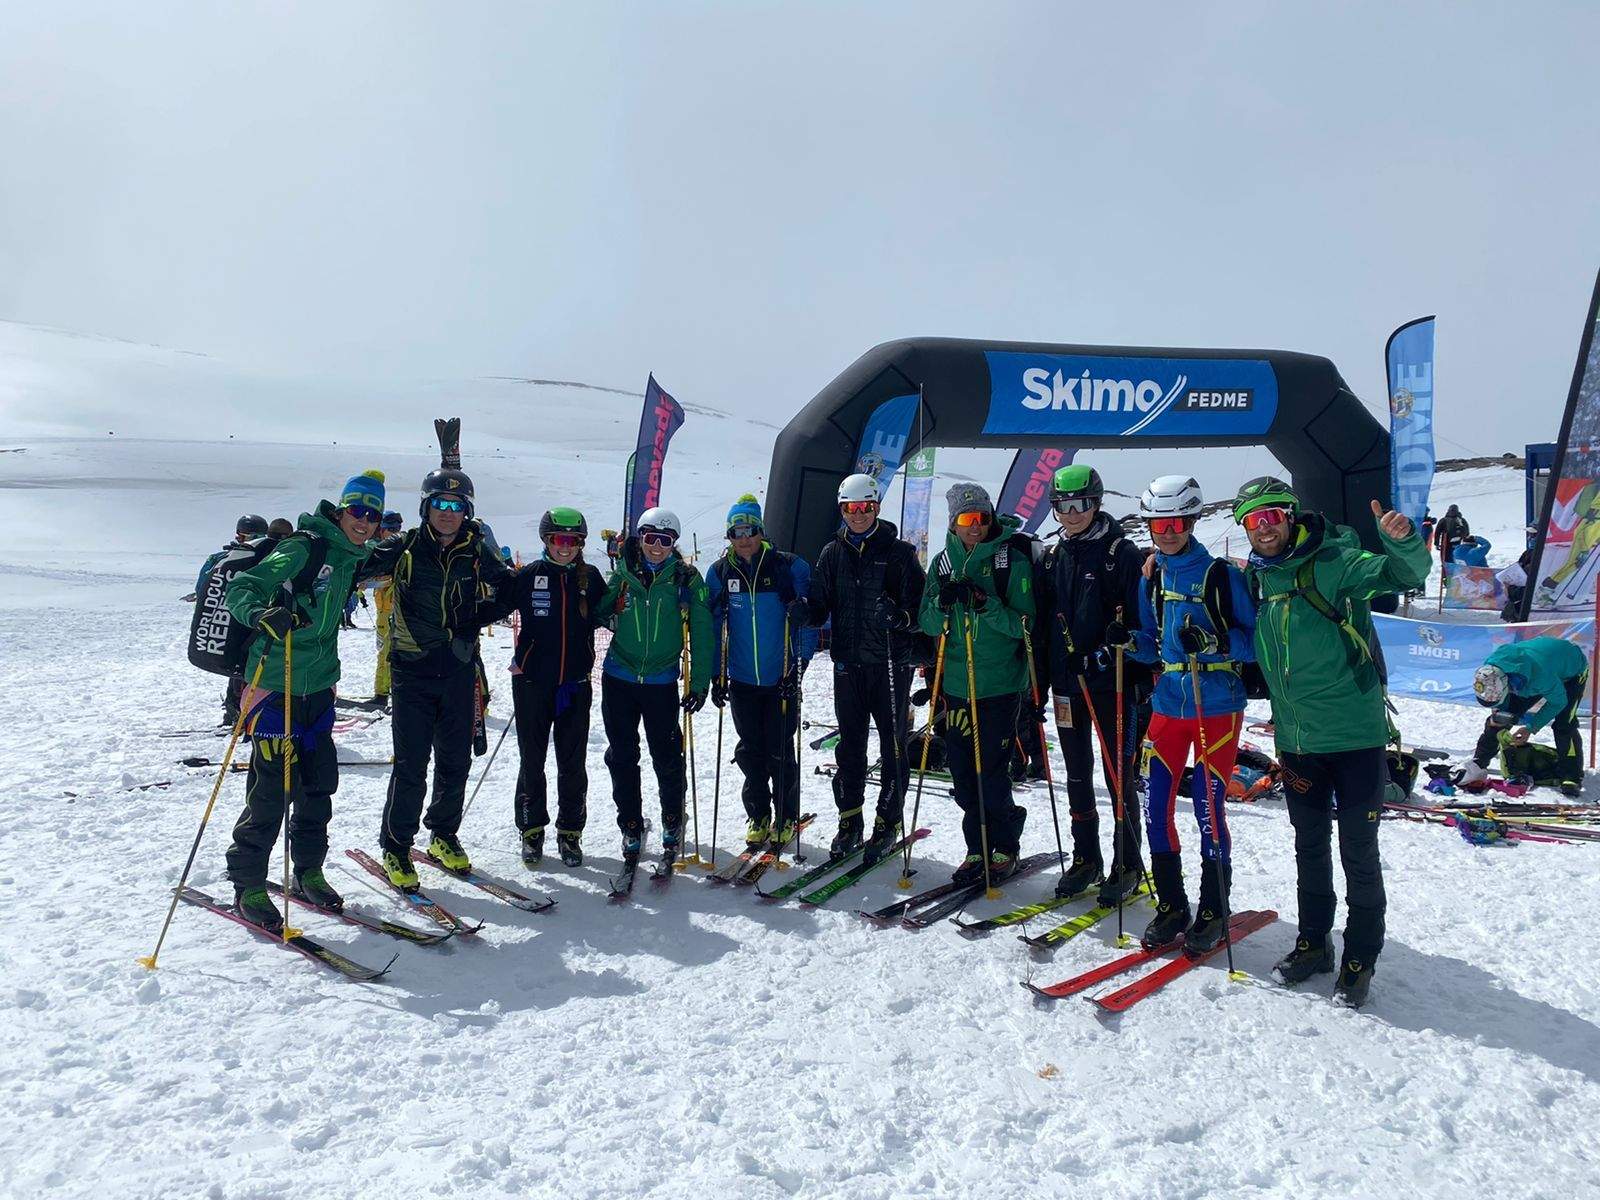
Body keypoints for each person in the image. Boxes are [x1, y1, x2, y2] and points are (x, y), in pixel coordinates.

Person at [1233, 475, 1429, 1008]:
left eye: (1272, 516)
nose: (1263, 528)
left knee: (1358, 852)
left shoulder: (1335, 560)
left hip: (1355, 739)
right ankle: (1313, 943)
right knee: (1309, 847)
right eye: (1252, 521)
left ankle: (1360, 956)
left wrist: (1401, 539)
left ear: (1291, 515)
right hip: (1298, 743)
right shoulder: (1258, 577)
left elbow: (1403, 574)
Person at [221, 470, 384, 928]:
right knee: (273, 788)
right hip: (276, 684)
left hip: (319, 687)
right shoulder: (305, 547)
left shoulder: (353, 557)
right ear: (342, 509)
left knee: (318, 785)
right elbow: (243, 587)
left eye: (372, 514)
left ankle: (308, 869)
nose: (364, 521)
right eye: (358, 510)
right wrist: (261, 613)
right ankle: (248, 883)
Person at [1106, 475, 1256, 956]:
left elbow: (1257, 640)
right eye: (1157, 524)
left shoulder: (1221, 575)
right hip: (1168, 703)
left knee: (1210, 808)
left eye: (1175, 522)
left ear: (1191, 521)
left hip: (1217, 704)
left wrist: (1215, 643)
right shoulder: (1151, 577)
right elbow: (1152, 642)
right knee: (1156, 809)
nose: (1166, 532)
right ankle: (1173, 905)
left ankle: (1214, 908)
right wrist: (1130, 641)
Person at [360, 465, 514, 889]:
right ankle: (395, 845)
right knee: (412, 765)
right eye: (441, 504)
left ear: (466, 511)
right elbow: (355, 567)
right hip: (412, 670)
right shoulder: (405, 546)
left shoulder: (476, 549)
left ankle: (443, 834)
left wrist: (479, 616)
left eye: (457, 505)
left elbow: (507, 588)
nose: (448, 512)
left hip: (460, 669)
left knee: (455, 760)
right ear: (426, 507)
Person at [1032, 463, 1151, 906]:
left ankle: (1128, 863)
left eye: (1080, 504)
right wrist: (1038, 687)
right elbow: (1044, 627)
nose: (1072, 513)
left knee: (1118, 776)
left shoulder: (1122, 553)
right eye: (1063, 505)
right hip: (1066, 685)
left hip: (1112, 685)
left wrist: (1109, 653)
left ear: (1096, 502)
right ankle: (1087, 857)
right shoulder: (1054, 557)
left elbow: (1142, 627)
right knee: (1077, 774)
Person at [799, 473, 926, 860]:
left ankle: (888, 821)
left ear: (876, 507)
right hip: (848, 666)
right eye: (850, 508)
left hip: (890, 664)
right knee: (850, 746)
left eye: (865, 507)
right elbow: (821, 604)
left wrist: (899, 618)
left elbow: (920, 613)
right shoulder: (831, 553)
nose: (857, 515)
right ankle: (850, 819)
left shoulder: (900, 553)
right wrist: (806, 611)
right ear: (842, 510)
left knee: (892, 746)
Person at [919, 483, 1035, 884]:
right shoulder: (942, 564)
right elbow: (928, 624)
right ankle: (976, 848)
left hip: (999, 685)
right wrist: (942, 603)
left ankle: (1002, 845)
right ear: (953, 522)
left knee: (991, 773)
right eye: (967, 519)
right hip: (955, 686)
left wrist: (986, 605)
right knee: (964, 777)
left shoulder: (1008, 560)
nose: (976, 527)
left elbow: (1024, 627)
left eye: (982, 519)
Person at [600, 507, 712, 864]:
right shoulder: (622, 575)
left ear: (674, 543)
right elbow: (599, 611)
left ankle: (672, 818)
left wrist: (700, 683)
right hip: (619, 677)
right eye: (651, 538)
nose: (657, 547)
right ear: (640, 538)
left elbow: (703, 631)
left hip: (662, 682)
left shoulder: (686, 579)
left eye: (666, 541)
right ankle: (630, 823)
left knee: (666, 755)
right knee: (623, 755)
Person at [705, 494, 818, 848]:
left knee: (780, 749)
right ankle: (758, 814)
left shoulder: (789, 567)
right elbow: (713, 624)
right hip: (741, 679)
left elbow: (810, 621)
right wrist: (715, 673)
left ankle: (786, 815)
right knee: (750, 751)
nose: (744, 538)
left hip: (780, 677)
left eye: (750, 530)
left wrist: (798, 667)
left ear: (760, 530)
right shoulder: (721, 572)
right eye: (736, 532)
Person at [499, 507, 607, 866]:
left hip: (574, 684)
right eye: (559, 540)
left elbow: (609, 612)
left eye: (573, 541)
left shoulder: (590, 578)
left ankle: (570, 832)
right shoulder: (529, 576)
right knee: (532, 760)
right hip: (532, 683)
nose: (566, 547)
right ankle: (531, 831)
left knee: (572, 762)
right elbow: (494, 603)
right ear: (546, 540)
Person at [1465, 636, 1588, 797]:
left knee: (1564, 723)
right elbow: (1500, 705)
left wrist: (1531, 727)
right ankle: (1479, 762)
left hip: (1572, 670)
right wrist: (1498, 714)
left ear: (1507, 686)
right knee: (1502, 717)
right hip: (1533, 668)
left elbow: (1558, 703)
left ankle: (1572, 776)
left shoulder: (1541, 678)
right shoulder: (1491, 669)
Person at [198, 514, 270, 725]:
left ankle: (238, 710)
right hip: (240, 621)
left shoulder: (223, 559)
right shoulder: (237, 558)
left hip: (241, 620)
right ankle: (239, 711)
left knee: (241, 666)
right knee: (244, 666)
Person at [368, 511, 405, 700]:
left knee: (390, 650)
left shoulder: (399, 550)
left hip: (395, 608)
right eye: (390, 529)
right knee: (384, 649)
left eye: (397, 528)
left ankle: (383, 692)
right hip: (383, 608)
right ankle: (383, 690)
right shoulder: (377, 550)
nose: (394, 532)